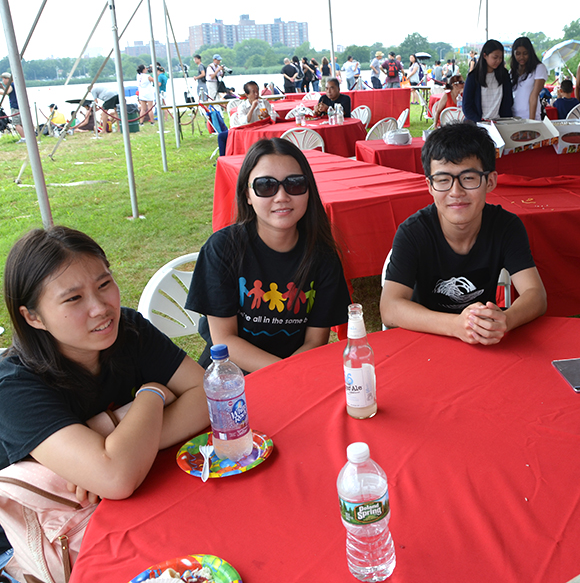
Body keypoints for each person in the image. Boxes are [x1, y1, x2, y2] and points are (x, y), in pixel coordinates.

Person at [0, 227, 208, 539]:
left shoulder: (128, 330)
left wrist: (117, 447)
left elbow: (209, 397)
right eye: (73, 298)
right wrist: (152, 394)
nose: (100, 308)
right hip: (47, 543)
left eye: (104, 283)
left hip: (141, 501)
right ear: (33, 317)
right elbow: (116, 478)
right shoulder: (13, 386)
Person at [186, 138, 351, 372]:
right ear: (247, 195)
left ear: (308, 190)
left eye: (294, 184)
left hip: (296, 368)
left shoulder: (322, 255)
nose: (282, 196)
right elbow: (225, 340)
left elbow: (315, 340)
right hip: (231, 375)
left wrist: (288, 375)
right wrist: (283, 372)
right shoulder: (222, 248)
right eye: (266, 185)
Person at [380, 123, 547, 345]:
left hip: (481, 342)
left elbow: (536, 294)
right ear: (430, 186)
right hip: (426, 337)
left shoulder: (506, 226)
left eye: (468, 178)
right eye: (443, 180)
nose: (456, 192)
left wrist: (506, 319)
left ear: (490, 181)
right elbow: (390, 309)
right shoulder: (413, 233)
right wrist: (456, 325)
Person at [462, 39, 513, 123]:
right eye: (495, 57)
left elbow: (508, 101)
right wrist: (480, 122)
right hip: (478, 124)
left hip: (499, 123)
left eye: (501, 58)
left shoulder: (504, 75)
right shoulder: (473, 77)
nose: (498, 61)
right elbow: (466, 106)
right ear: (485, 55)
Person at [508, 36, 547, 120]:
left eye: (525, 53)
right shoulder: (512, 72)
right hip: (514, 117)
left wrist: (531, 120)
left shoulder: (539, 68)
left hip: (530, 116)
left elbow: (534, 94)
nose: (521, 57)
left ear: (530, 53)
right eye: (518, 54)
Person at [0, 72, 25, 141]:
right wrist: (2, 87)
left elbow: (6, 92)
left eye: (3, 79)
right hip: (20, 106)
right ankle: (26, 137)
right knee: (22, 123)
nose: (3, 81)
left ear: (7, 79)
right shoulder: (15, 85)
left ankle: (23, 138)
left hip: (15, 106)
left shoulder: (11, 85)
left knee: (17, 124)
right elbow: (9, 92)